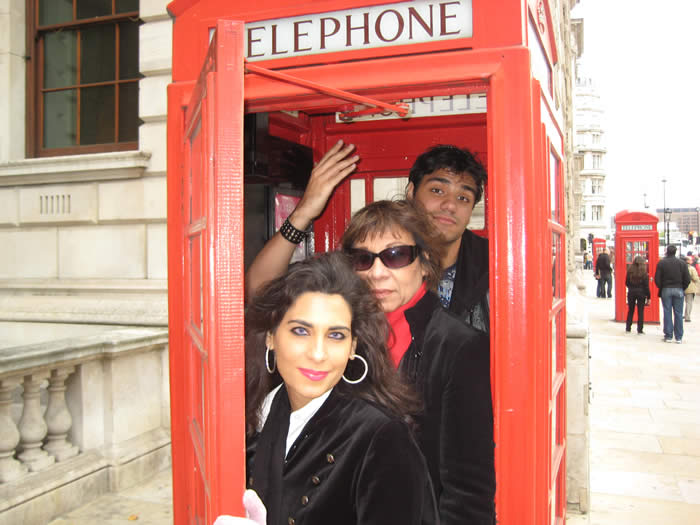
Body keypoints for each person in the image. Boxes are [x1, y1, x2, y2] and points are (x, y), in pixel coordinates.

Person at [245, 252, 439, 525]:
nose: (318, 353)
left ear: (352, 348)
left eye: (336, 335)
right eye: (301, 331)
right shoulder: (267, 409)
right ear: (271, 337)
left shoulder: (382, 438)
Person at [341, 200, 496, 524]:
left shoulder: (460, 347)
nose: (377, 273)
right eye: (363, 259)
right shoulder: (342, 335)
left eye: (396, 255)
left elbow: (468, 492)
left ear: (425, 262)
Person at [246, 141, 491, 334]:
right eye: (437, 190)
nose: (449, 205)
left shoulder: (497, 265)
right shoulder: (365, 259)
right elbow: (261, 290)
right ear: (411, 192)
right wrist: (304, 211)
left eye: (463, 198)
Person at [654, 245, 691, 343]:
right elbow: (687, 279)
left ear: (667, 251)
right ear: (675, 252)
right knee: (678, 313)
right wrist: (682, 288)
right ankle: (679, 337)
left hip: (666, 289)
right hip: (678, 289)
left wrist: (661, 287)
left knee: (667, 312)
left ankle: (668, 336)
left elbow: (657, 278)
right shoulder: (682, 263)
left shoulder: (661, 263)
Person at [624, 256, 651, 334]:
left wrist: (631, 288)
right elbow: (646, 286)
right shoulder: (644, 273)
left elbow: (626, 283)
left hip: (631, 292)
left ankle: (628, 328)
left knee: (630, 310)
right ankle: (640, 329)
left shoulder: (630, 271)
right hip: (641, 293)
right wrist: (649, 296)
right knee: (640, 311)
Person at [683, 255, 699, 322]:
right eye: (690, 260)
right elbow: (695, 278)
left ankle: (683, 314)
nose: (692, 261)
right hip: (690, 287)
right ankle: (687, 317)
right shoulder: (691, 268)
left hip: (682, 287)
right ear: (687, 261)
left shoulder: (682, 267)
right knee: (689, 302)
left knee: (683, 302)